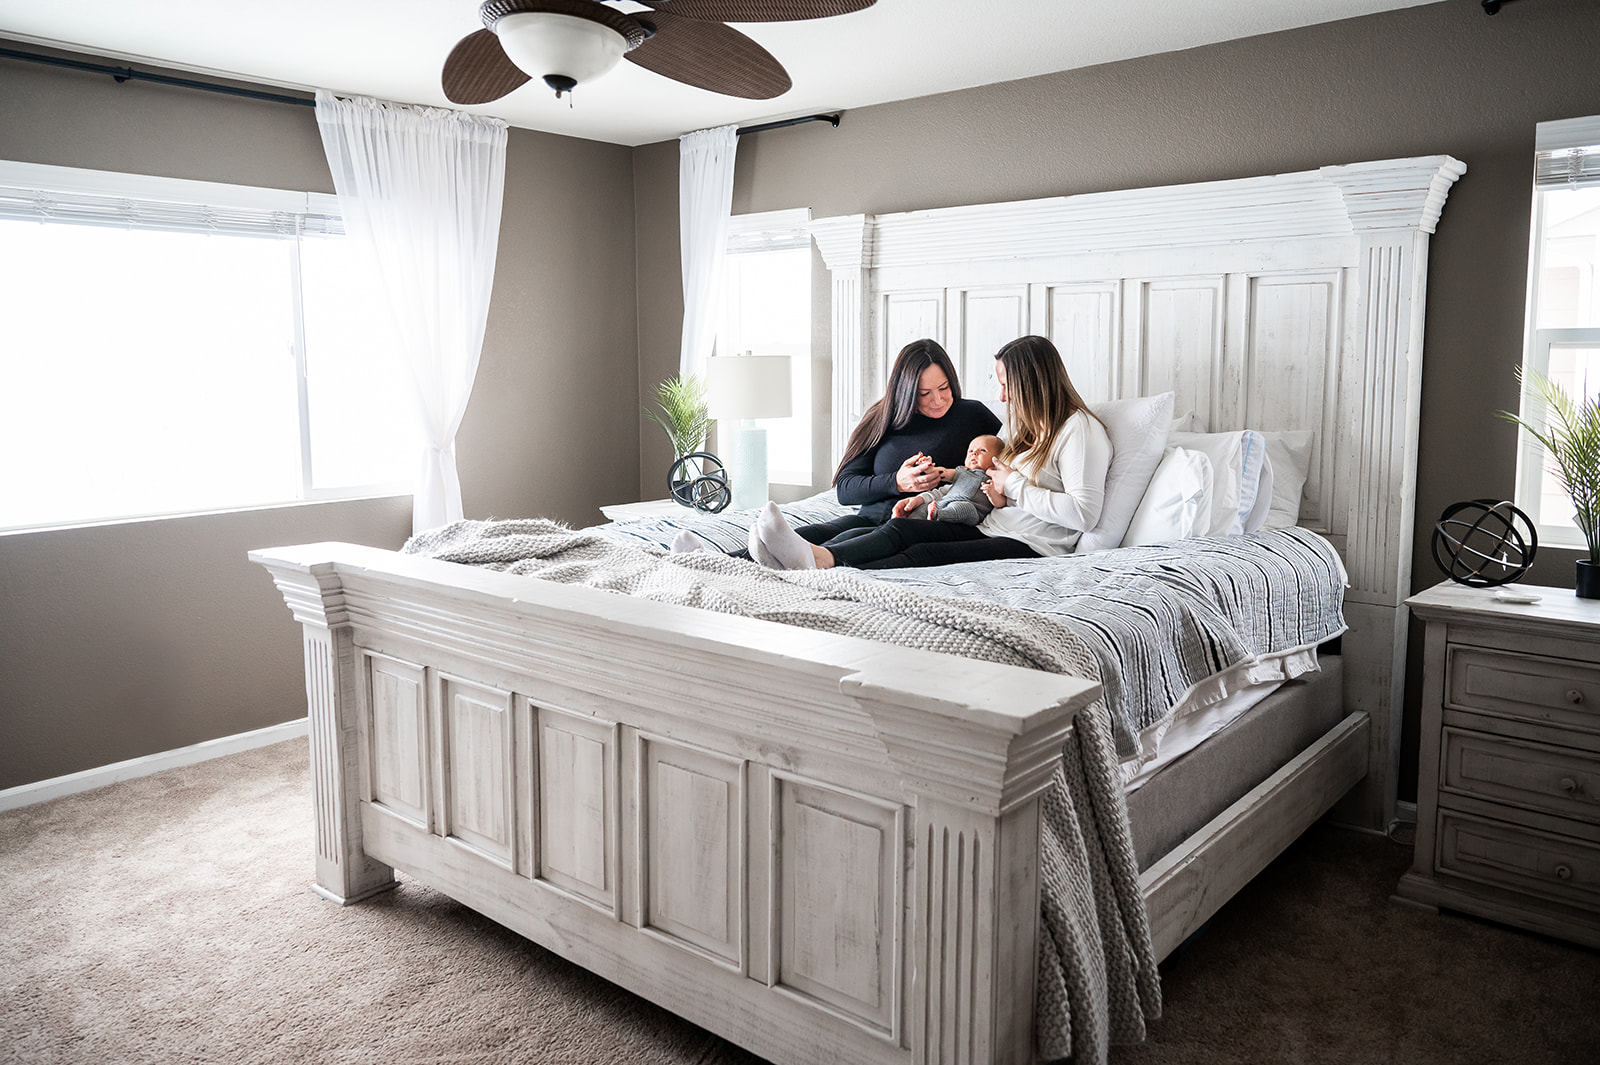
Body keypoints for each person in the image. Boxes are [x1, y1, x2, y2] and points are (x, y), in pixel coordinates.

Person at [749, 335, 1111, 571]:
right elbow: (977, 481)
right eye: (924, 394)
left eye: (1006, 385)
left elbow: (1084, 514)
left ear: (1032, 383)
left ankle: (820, 564)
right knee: (896, 529)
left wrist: (1011, 485)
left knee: (918, 551)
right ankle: (757, 557)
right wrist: (917, 492)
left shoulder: (1079, 430)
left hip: (1029, 543)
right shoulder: (1027, 428)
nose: (1002, 397)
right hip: (984, 524)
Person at [795, 338, 1002, 546]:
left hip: (919, 524)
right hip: (869, 517)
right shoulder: (881, 418)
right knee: (805, 535)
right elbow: (845, 489)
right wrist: (897, 482)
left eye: (944, 387)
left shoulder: (973, 415)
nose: (938, 400)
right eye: (924, 393)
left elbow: (1011, 463)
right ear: (906, 391)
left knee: (841, 544)